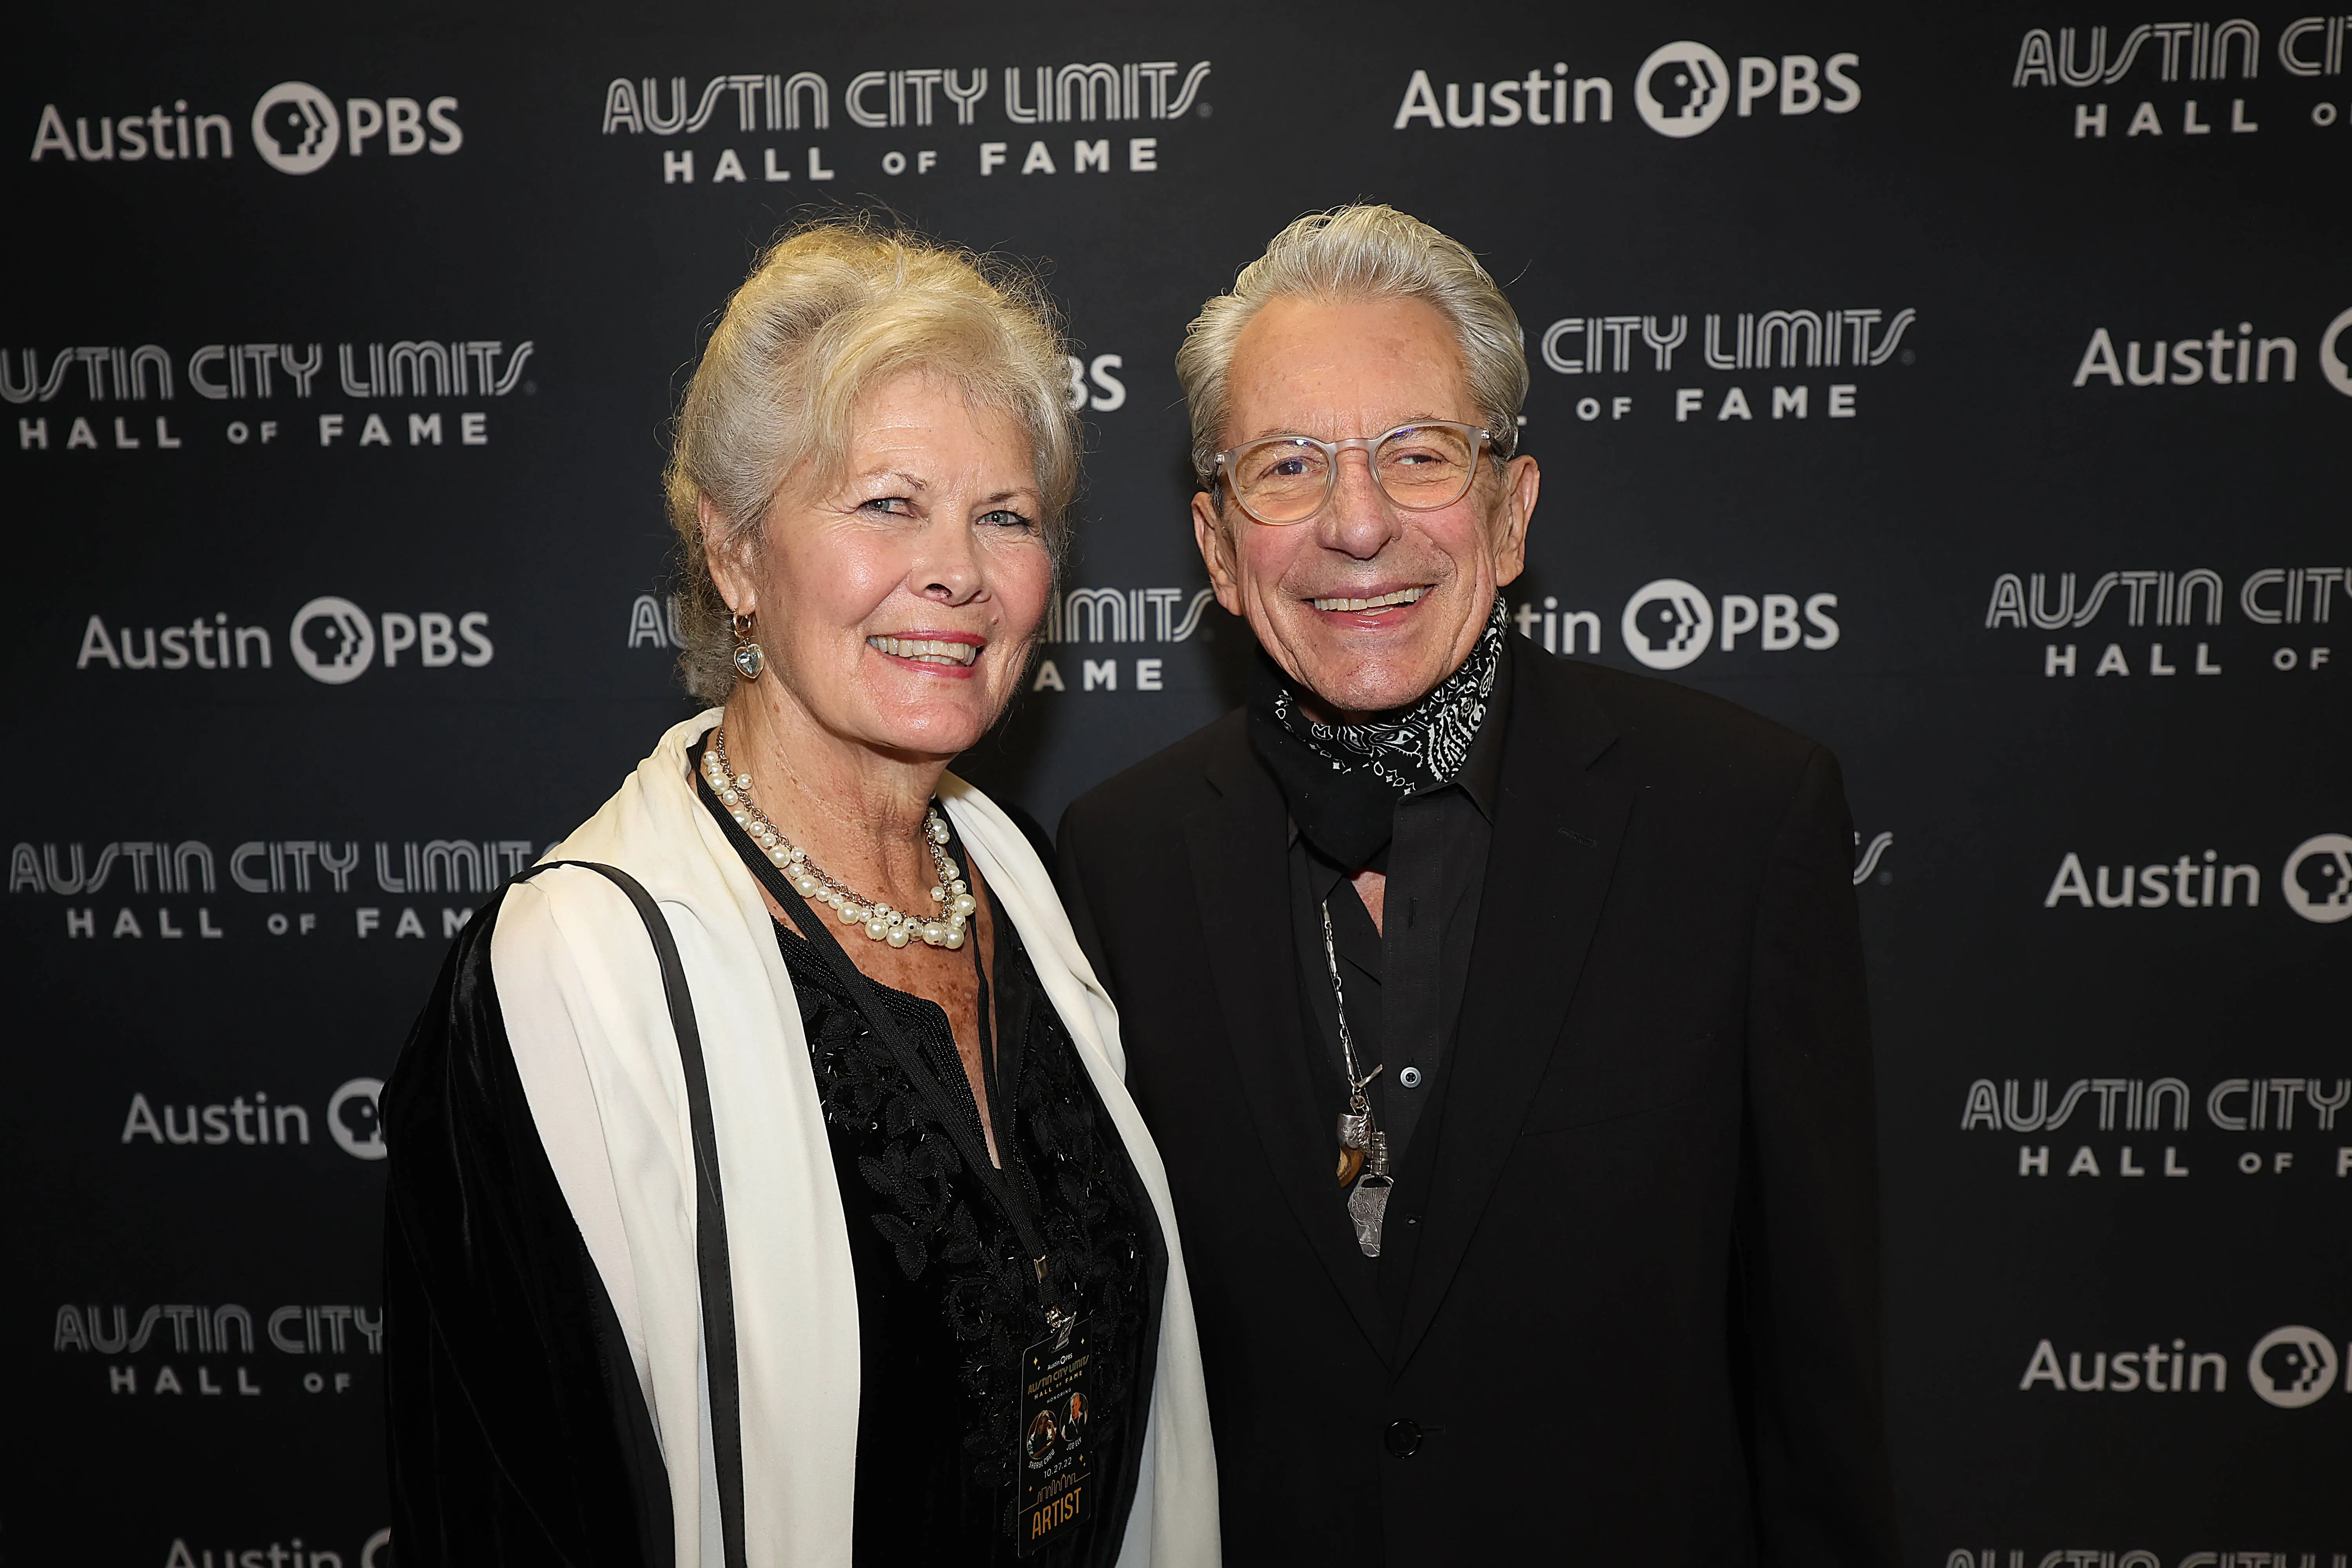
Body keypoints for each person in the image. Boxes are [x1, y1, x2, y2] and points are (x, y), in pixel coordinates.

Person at [1057, 205, 1898, 1564]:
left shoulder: (1739, 818)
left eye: (1419, 456)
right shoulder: (1118, 857)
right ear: (1216, 550)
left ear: (1511, 513)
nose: (1359, 524)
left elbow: (1817, 1373)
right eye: (1288, 466)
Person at [383, 221, 1218, 1568]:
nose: (957, 569)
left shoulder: (1030, 890)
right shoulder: (575, 975)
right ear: (732, 552)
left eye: (1004, 516)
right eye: (887, 502)